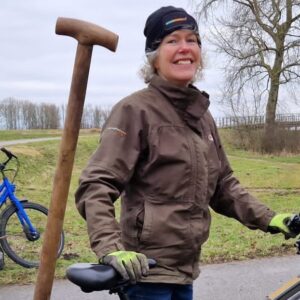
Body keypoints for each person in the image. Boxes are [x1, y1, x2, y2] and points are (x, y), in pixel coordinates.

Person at [75, 6, 297, 300]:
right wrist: (112, 248)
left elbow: (224, 185)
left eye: (192, 40)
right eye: (172, 40)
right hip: (145, 275)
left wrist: (270, 218)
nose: (185, 48)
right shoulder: (135, 110)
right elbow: (96, 185)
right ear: (154, 57)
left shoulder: (202, 117)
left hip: (184, 270)